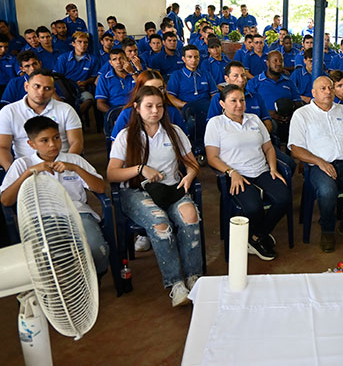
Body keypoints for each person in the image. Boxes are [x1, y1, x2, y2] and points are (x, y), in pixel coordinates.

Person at [107, 85, 202, 307]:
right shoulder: (126, 136)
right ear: (137, 108)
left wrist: (190, 175)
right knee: (160, 225)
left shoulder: (174, 132)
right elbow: (112, 174)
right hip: (137, 192)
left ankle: (193, 277)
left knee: (190, 216)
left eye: (159, 106)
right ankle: (175, 283)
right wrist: (140, 168)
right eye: (148, 106)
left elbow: (191, 163)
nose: (154, 111)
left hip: (171, 188)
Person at [0, 116, 108, 277]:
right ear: (32, 144)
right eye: (44, 140)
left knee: (98, 250)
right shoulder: (22, 164)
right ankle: (74, 285)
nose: (53, 144)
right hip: (42, 218)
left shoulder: (74, 160)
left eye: (56, 138)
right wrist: (28, 173)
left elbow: (100, 188)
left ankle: (93, 278)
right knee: (55, 256)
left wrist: (76, 169)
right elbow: (6, 200)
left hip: (78, 214)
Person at [289, 76, 343, 252]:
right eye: (323, 88)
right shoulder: (302, 115)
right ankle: (327, 229)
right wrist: (319, 161)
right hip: (318, 165)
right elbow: (295, 149)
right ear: (313, 93)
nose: (328, 91)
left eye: (330, 87)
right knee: (327, 191)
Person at [206, 84, 291, 261]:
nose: (239, 104)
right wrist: (232, 172)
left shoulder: (254, 119)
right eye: (233, 101)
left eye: (242, 100)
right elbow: (212, 157)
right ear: (222, 103)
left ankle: (255, 237)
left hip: (261, 170)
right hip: (236, 175)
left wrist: (273, 168)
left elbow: (268, 148)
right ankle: (259, 235)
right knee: (253, 207)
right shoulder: (216, 124)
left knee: (284, 197)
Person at [0, 69, 83, 170]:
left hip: (61, 165)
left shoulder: (66, 109)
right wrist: (11, 171)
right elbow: (2, 147)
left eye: (47, 88)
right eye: (36, 86)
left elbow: (76, 142)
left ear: (53, 91)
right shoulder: (9, 112)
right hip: (25, 168)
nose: (41, 92)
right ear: (26, 86)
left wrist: (67, 167)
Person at [246, 51, 301, 139]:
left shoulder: (289, 82)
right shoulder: (254, 82)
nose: (279, 63)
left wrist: (290, 114)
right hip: (265, 122)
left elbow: (298, 102)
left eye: (281, 61)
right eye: (275, 61)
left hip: (288, 121)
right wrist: (267, 114)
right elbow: (249, 105)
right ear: (267, 63)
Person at [53, 32, 99, 114]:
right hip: (65, 88)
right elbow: (57, 76)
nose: (83, 44)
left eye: (85, 42)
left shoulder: (93, 59)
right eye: (79, 42)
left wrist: (85, 82)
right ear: (73, 43)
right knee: (62, 101)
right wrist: (67, 86)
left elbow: (93, 77)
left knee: (89, 100)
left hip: (82, 89)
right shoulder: (64, 57)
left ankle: (76, 117)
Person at [95, 49, 138, 113]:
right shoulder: (104, 78)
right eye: (114, 59)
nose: (118, 62)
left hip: (135, 110)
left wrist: (132, 72)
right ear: (111, 63)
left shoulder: (135, 74)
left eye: (121, 58)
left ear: (127, 59)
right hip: (115, 111)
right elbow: (100, 104)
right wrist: (115, 114)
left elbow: (145, 89)